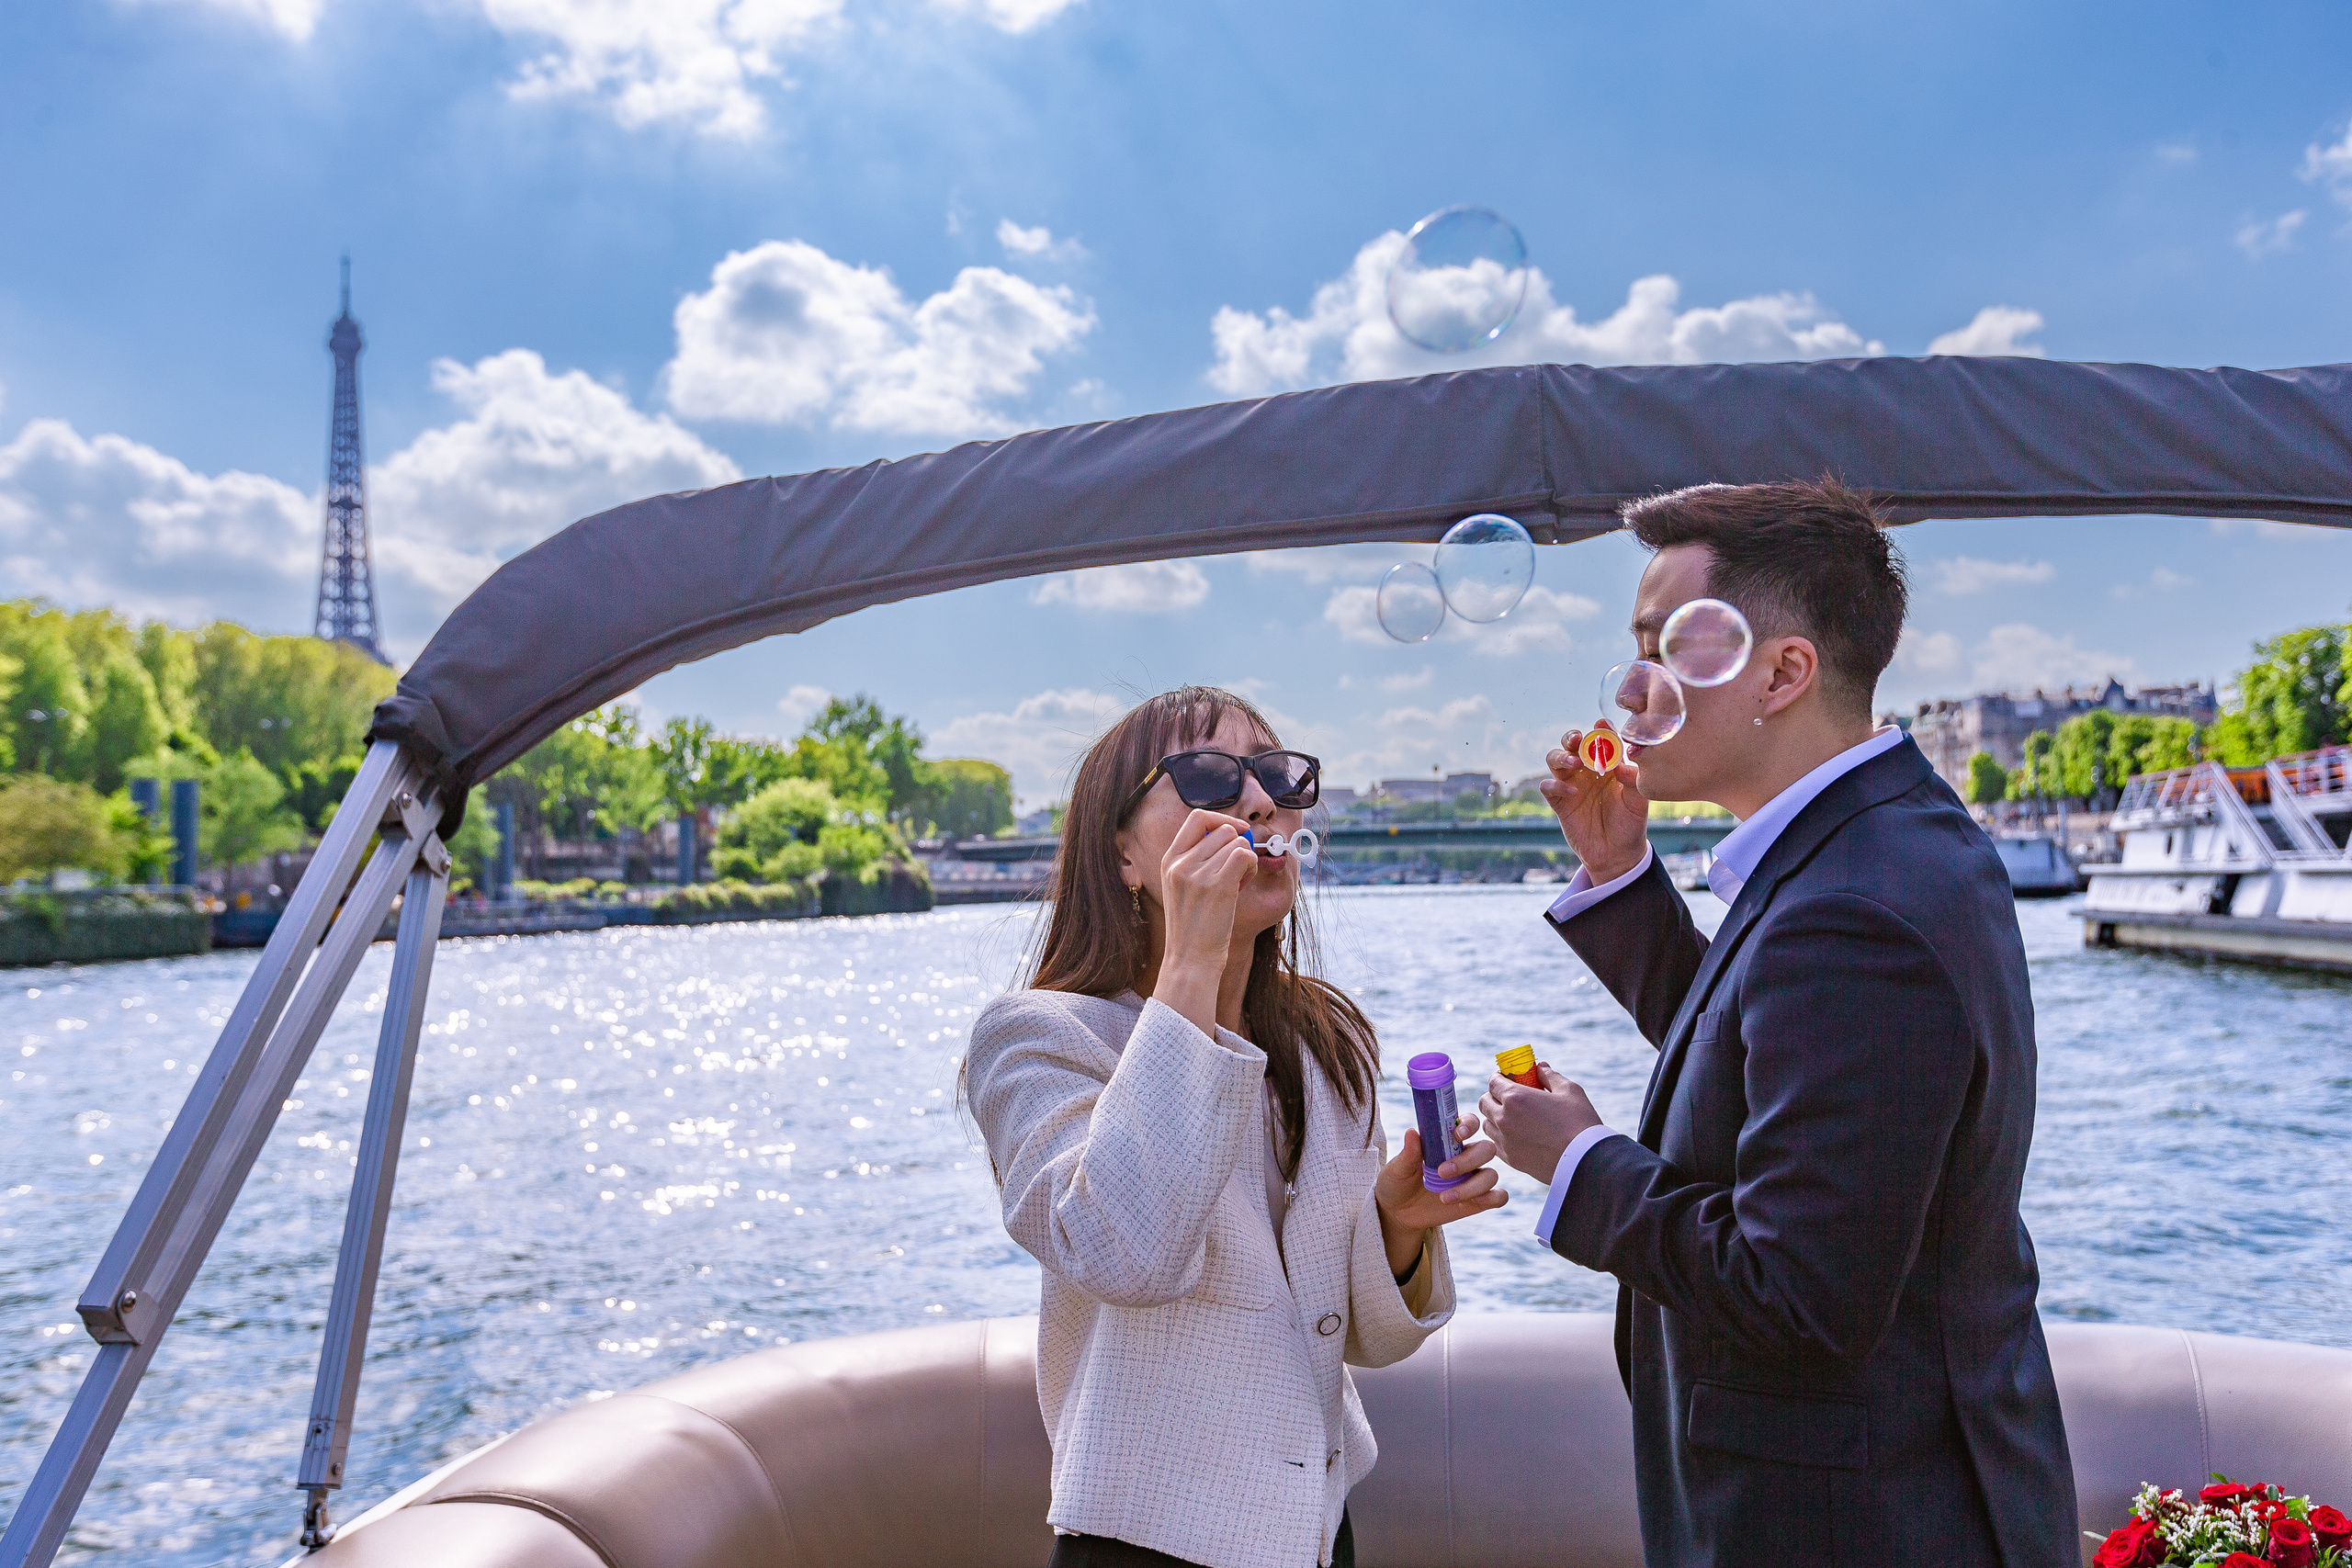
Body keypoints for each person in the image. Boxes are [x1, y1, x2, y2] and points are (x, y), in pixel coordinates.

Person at [1478, 481, 2075, 1566]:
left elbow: (1798, 1295)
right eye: (1635, 649)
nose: (1631, 688)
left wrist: (1578, 1162)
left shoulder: (1853, 905)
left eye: (1667, 649)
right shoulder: (1886, 842)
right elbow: (1771, 1060)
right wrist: (1619, 876)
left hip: (1852, 1524)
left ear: (1784, 672)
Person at [966, 686, 1506, 1568]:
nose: (1261, 803)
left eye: (1279, 776)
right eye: (1210, 777)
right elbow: (1123, 1252)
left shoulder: (1326, 1040)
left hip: (1319, 1531)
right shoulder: (1039, 1036)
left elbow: (1354, 1335)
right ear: (1124, 855)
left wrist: (1398, 1228)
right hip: (1143, 1542)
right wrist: (1190, 962)